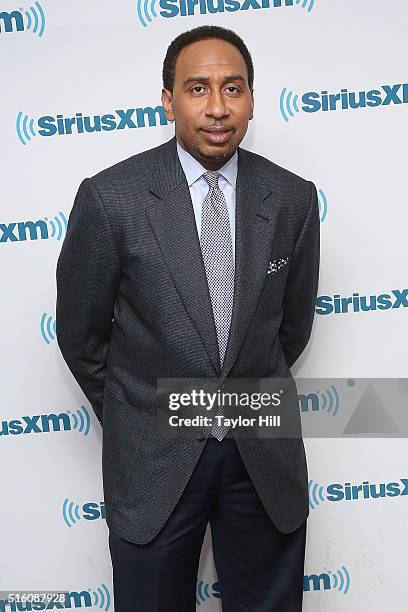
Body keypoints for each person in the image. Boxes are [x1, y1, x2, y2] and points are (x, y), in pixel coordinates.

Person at [56, 24, 320, 612]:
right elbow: (82, 334)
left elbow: (291, 329)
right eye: (197, 89)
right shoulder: (111, 198)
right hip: (154, 457)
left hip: (262, 451)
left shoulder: (294, 200)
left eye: (233, 88)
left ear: (252, 97)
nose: (218, 107)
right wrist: (142, 410)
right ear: (168, 99)